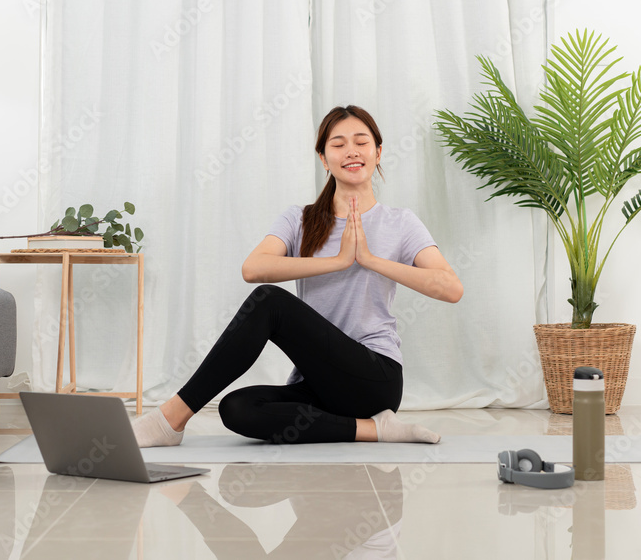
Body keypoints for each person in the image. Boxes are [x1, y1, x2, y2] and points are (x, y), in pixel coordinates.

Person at [132, 105, 463, 448]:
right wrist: (337, 261)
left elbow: (451, 288)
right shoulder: (299, 220)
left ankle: (170, 419)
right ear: (323, 158)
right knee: (237, 408)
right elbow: (254, 268)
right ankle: (374, 429)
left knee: (270, 301)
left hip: (374, 379)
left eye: (361, 142)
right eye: (338, 144)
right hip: (319, 384)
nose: (351, 151)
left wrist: (369, 259)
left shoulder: (401, 223)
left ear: (378, 152)